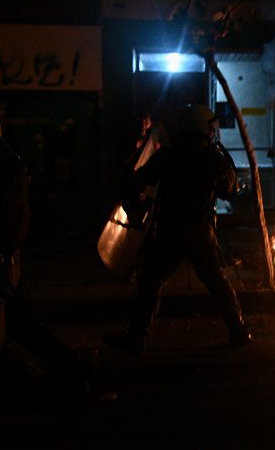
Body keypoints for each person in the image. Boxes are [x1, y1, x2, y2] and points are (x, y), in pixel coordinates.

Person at [0, 100, 92, 432]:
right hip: (7, 261)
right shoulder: (7, 159)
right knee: (18, 326)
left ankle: (57, 398)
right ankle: (72, 367)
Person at [103, 104, 251, 354]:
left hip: (170, 228)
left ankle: (136, 337)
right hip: (199, 231)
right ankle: (238, 330)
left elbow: (140, 179)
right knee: (216, 281)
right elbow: (230, 190)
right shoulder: (212, 158)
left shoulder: (168, 155)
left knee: (151, 282)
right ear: (204, 128)